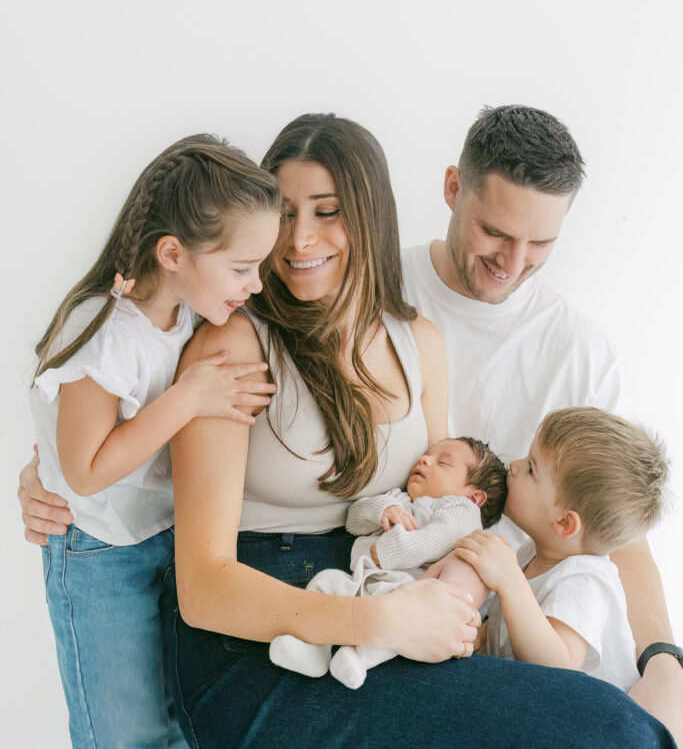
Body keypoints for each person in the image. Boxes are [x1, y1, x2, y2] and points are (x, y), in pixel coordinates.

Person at [160, 113, 672, 749]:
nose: (299, 240)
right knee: (607, 732)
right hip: (266, 634)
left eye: (326, 211)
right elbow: (202, 585)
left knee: (609, 722)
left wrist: (664, 659)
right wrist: (70, 467)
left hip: (391, 595)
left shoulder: (415, 341)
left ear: (370, 213)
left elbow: (459, 502)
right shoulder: (234, 343)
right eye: (285, 214)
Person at [400, 105, 683, 736]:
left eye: (542, 242)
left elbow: (615, 529)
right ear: (452, 188)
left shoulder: (578, 351)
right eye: (496, 232)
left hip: (500, 659)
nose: (514, 261)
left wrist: (665, 662)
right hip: (396, 606)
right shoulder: (382, 291)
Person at [29, 134, 281, 749]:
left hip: (166, 541)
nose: (254, 283)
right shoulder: (106, 333)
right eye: (242, 267)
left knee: (179, 726)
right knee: (124, 732)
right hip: (101, 553)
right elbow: (84, 471)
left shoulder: (194, 312)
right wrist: (188, 398)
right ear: (173, 253)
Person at [450, 407, 669, 692]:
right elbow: (505, 630)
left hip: (592, 723)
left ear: (564, 523)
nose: (514, 466)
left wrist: (510, 582)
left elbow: (558, 668)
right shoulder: (534, 552)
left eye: (531, 468)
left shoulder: (587, 582)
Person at [269, 436, 507, 688]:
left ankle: (358, 658)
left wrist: (386, 552)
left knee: (394, 628)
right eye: (428, 455)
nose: (425, 459)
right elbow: (353, 521)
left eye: (443, 463)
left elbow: (435, 539)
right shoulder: (399, 499)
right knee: (326, 581)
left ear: (474, 497)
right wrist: (383, 510)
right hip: (363, 578)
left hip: (410, 589)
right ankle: (313, 651)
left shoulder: (461, 510)